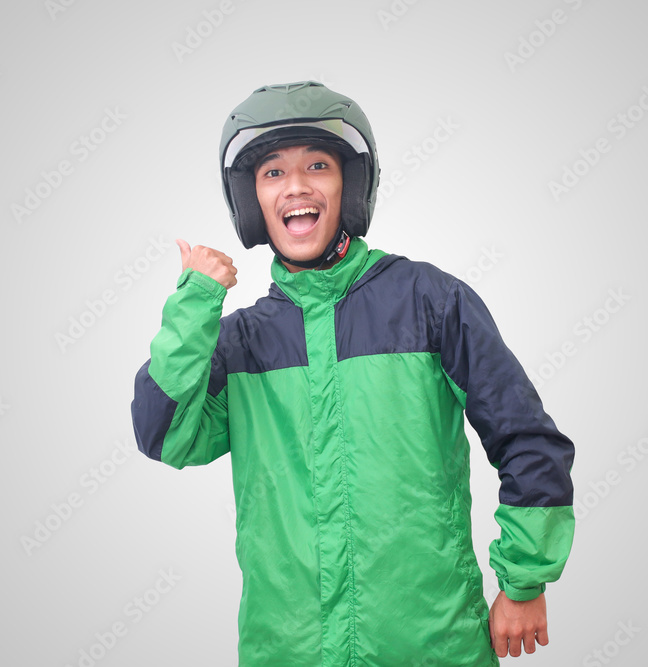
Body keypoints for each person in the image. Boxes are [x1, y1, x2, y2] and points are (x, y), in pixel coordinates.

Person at [131, 81, 575, 666]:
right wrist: (195, 302)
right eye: (272, 172)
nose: (296, 186)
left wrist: (525, 581)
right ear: (252, 200)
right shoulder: (240, 342)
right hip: (289, 650)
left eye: (318, 165)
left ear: (350, 186)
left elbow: (525, 437)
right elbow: (162, 434)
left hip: (430, 646)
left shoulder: (429, 302)